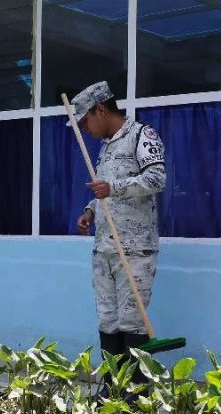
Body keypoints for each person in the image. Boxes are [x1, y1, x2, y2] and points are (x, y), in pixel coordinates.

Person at [70, 81, 166, 384]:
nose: (84, 127)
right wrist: (90, 210)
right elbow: (104, 191)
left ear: (101, 110)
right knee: (108, 321)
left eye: (85, 119)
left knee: (132, 323)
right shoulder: (106, 149)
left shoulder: (142, 135)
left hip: (135, 251)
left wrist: (115, 188)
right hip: (105, 251)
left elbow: (156, 178)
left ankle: (136, 395)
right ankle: (113, 388)